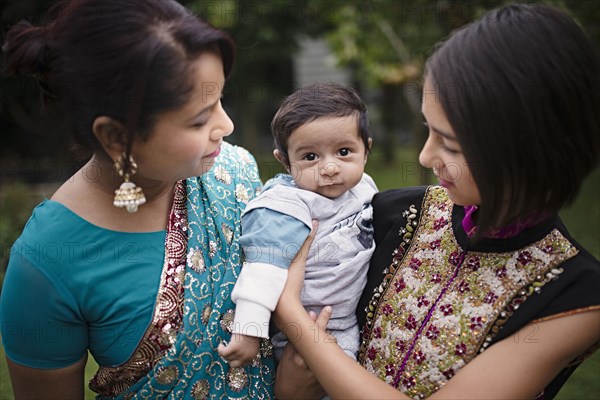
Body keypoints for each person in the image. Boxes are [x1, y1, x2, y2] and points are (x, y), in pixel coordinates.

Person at [273, 3, 600, 399]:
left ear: (528, 149)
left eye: (451, 144)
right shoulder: (392, 214)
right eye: (429, 130)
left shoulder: (576, 297)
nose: (426, 158)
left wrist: (294, 320)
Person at [0, 0, 275, 398]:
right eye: (200, 119)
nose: (226, 126)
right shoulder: (47, 261)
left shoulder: (234, 172)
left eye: (219, 100)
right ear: (115, 137)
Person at [218, 83, 378, 367]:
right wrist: (248, 333)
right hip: (305, 330)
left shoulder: (363, 187)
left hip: (354, 322)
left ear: (366, 149)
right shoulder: (286, 205)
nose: (330, 168)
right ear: (285, 162)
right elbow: (262, 268)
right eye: (310, 157)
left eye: (343, 151)